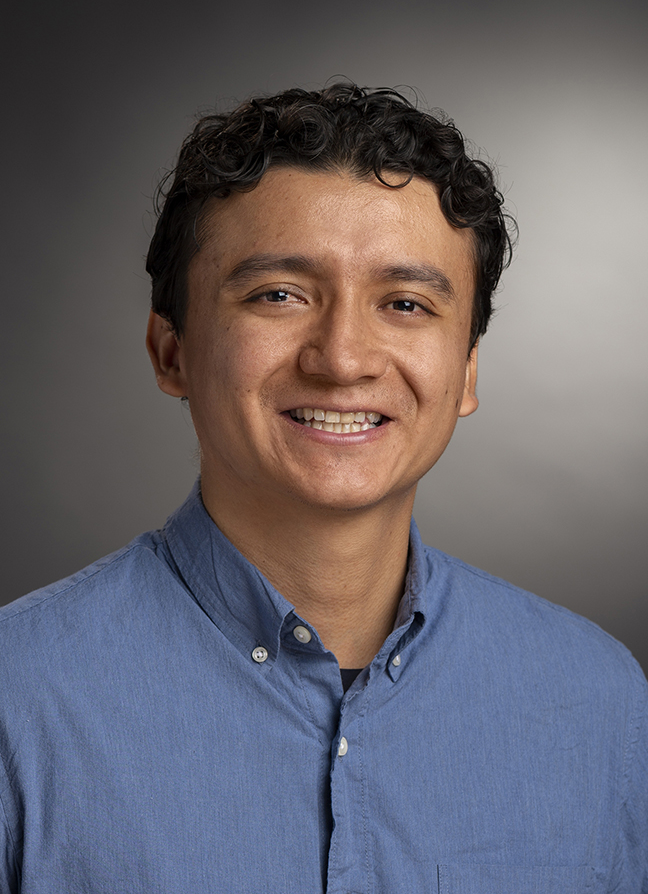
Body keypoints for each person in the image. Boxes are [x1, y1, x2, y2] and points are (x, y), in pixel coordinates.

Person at [0, 83, 646, 894]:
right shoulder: (15, 699)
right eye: (278, 295)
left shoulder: (599, 703)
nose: (343, 359)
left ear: (467, 371)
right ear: (172, 353)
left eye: (405, 303)